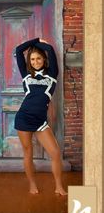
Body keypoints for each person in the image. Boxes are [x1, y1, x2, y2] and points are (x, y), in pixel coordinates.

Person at [14, 37, 67, 196]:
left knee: (55, 153)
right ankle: (32, 185)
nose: (36, 62)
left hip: (40, 122)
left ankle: (58, 186)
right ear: (29, 62)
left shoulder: (52, 74)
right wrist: (36, 39)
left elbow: (50, 50)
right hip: (23, 118)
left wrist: (41, 45)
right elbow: (18, 50)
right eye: (32, 59)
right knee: (28, 153)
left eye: (38, 58)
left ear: (44, 59)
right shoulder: (26, 75)